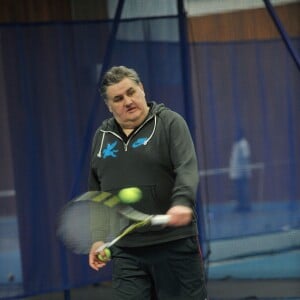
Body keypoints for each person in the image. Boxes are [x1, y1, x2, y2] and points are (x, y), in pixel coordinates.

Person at [88, 66, 208, 300]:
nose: (128, 101)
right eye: (118, 98)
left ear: (142, 89)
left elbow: (187, 168)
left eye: (132, 92)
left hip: (174, 246)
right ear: (109, 106)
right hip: (126, 251)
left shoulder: (170, 123)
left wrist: (182, 202)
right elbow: (96, 192)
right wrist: (98, 238)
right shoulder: (101, 137)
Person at [229, 129, 251, 212]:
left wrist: (244, 172)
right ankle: (240, 206)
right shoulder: (236, 144)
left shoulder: (243, 144)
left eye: (236, 133)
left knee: (244, 191)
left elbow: (246, 157)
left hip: (242, 173)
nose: (234, 134)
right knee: (238, 191)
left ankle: (246, 206)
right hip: (236, 173)